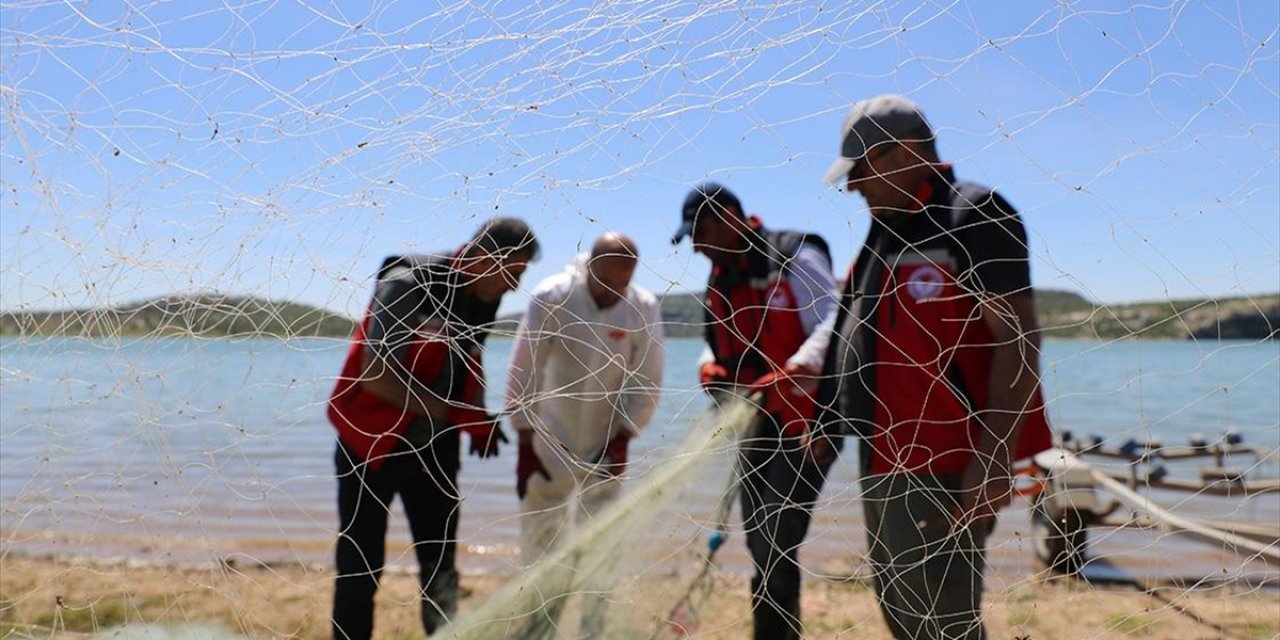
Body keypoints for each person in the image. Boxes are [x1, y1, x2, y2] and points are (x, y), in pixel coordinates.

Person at [817, 94, 1053, 640]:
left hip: (949, 467)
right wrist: (828, 417)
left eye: (861, 172)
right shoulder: (886, 227)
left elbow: (1019, 340)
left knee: (943, 623)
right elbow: (855, 335)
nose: (853, 188)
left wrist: (993, 459)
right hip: (882, 461)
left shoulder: (975, 214)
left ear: (905, 155)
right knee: (902, 614)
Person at [326, 217, 540, 640]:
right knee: (360, 568)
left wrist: (478, 415)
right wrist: (453, 413)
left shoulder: (483, 292)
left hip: (434, 448)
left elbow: (468, 359)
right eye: (513, 273)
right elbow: (375, 376)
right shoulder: (406, 283)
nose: (515, 287)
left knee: (440, 568)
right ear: (482, 259)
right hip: (369, 444)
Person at [672, 183, 841, 640]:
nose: (697, 246)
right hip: (756, 422)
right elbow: (713, 336)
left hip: (809, 420)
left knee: (777, 540)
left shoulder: (794, 254)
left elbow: (834, 322)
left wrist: (794, 370)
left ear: (729, 217)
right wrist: (707, 363)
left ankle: (773, 633)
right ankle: (772, 630)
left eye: (701, 232)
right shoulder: (719, 277)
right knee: (759, 537)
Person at [505, 232, 664, 637]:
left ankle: (594, 629)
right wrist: (524, 439)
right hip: (548, 438)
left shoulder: (642, 308)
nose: (614, 292)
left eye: (622, 283)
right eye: (606, 282)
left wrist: (627, 435)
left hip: (607, 441)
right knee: (543, 543)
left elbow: (648, 381)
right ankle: (540, 626)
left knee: (602, 545)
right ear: (588, 268)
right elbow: (525, 370)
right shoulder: (552, 296)